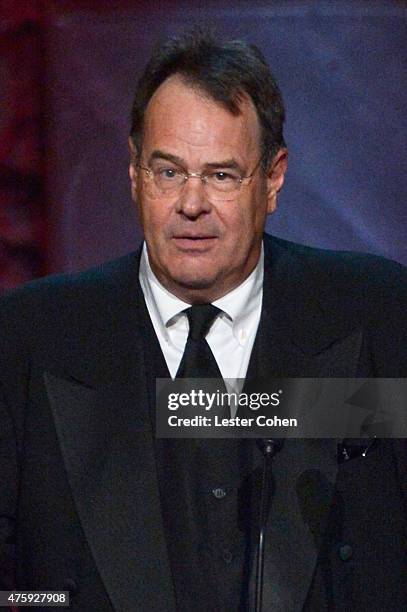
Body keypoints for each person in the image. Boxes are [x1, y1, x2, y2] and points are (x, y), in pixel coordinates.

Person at [0, 29, 406, 612]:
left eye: (221, 175)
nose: (191, 204)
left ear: (273, 179)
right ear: (135, 175)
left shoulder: (378, 314)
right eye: (168, 172)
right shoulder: (29, 339)